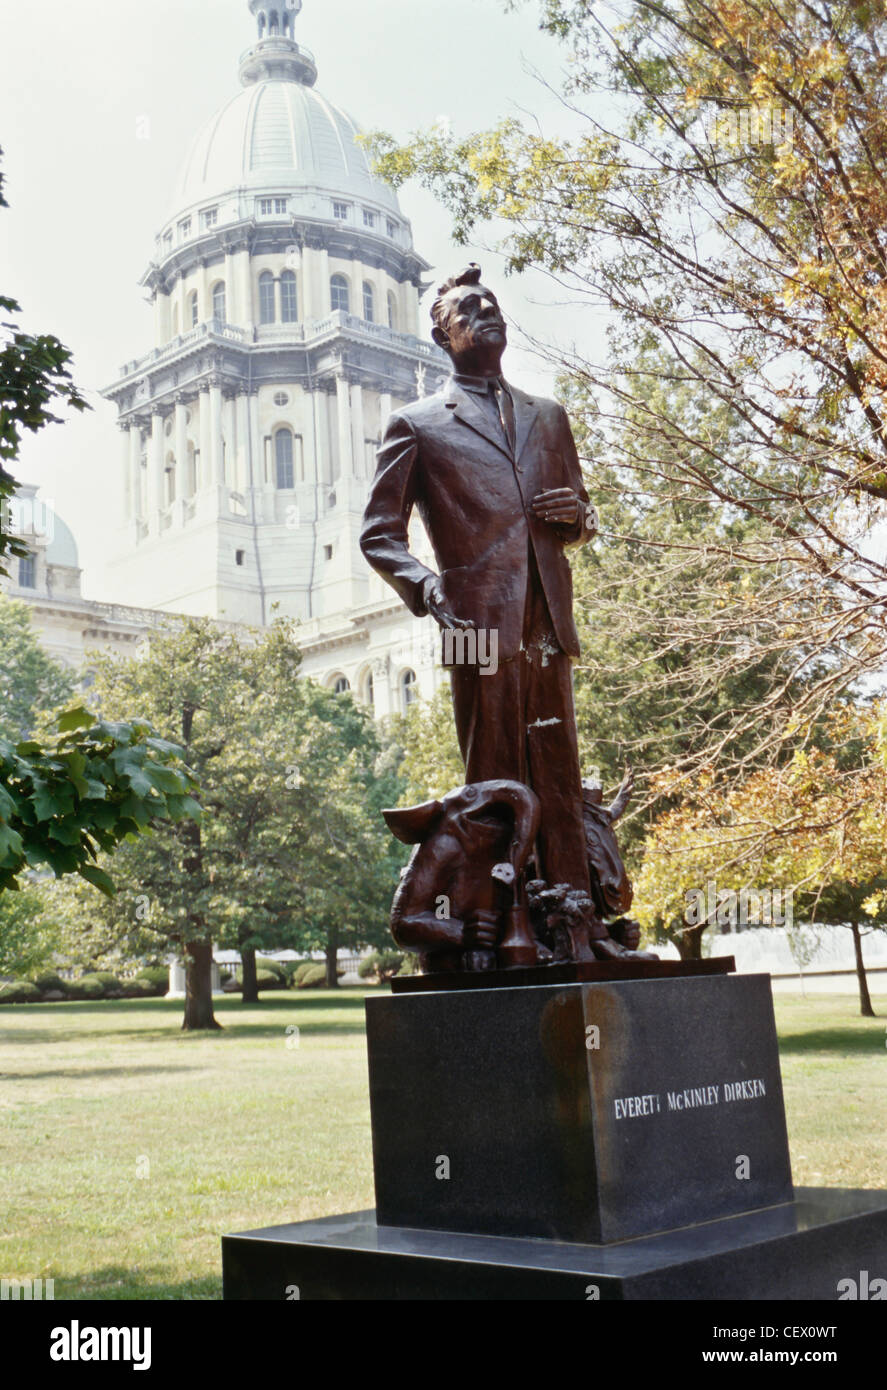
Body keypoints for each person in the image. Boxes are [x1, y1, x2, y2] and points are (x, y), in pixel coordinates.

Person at [361, 264, 634, 959]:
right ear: (441, 334)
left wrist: (581, 518)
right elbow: (378, 535)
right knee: (490, 778)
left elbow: (576, 518)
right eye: (469, 307)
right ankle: (493, 932)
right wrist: (428, 591)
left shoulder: (549, 416)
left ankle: (577, 929)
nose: (487, 312)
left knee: (557, 769)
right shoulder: (416, 425)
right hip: (468, 623)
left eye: (492, 304)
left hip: (546, 614)